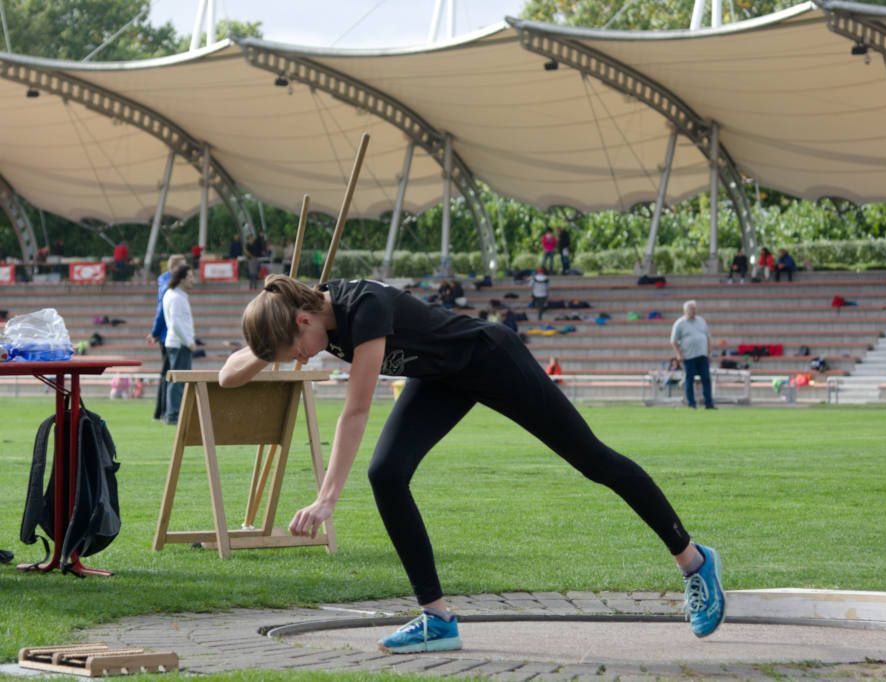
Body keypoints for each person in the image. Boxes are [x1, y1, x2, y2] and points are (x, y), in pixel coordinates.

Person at [217, 275, 726, 653]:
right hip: (440, 379)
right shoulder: (307, 318)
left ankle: (694, 561)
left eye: (296, 350)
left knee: (593, 461)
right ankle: (436, 619)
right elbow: (227, 378)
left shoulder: (363, 309)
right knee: (387, 474)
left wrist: (327, 498)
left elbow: (355, 411)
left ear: (304, 320)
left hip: (490, 360)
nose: (303, 360)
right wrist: (268, 347)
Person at [147, 254, 188, 422]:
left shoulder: (163, 282)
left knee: (167, 373)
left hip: (165, 334)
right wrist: (156, 333)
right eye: (184, 267)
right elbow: (162, 311)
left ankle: (161, 411)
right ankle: (166, 412)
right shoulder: (168, 286)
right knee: (170, 374)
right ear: (176, 268)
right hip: (168, 335)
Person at [162, 265, 195, 426]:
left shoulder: (176, 295)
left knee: (177, 381)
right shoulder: (176, 297)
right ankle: (174, 414)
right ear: (182, 278)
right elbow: (175, 323)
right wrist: (189, 342)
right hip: (179, 344)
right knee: (178, 382)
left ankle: (175, 413)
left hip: (177, 342)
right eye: (190, 276)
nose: (192, 279)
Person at [671, 300, 714, 410]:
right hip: (689, 356)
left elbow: (708, 337)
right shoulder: (680, 323)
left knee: (706, 379)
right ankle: (691, 403)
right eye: (691, 309)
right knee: (689, 380)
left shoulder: (701, 321)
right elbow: (674, 341)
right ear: (685, 310)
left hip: (702, 355)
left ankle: (708, 403)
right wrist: (679, 354)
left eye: (695, 309)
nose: (694, 311)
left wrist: (709, 352)